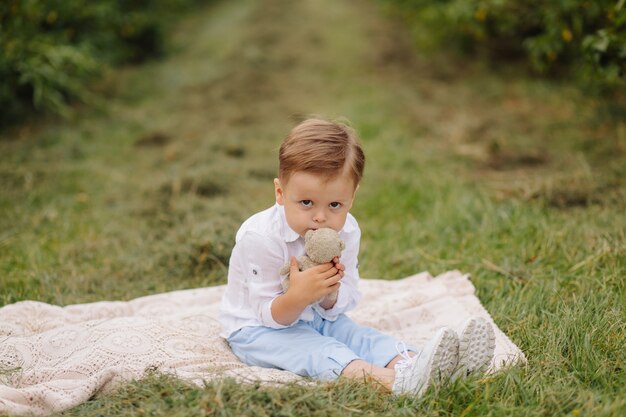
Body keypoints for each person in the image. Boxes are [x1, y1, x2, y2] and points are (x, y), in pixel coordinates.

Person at [219, 118, 495, 395]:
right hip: (258, 331)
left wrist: (329, 293)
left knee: (362, 337)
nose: (320, 216)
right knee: (322, 350)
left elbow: (344, 301)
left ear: (352, 197)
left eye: (335, 205)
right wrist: (298, 296)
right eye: (306, 202)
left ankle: (428, 366)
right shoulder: (261, 237)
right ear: (280, 192)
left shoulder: (347, 230)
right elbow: (267, 315)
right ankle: (397, 383)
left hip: (318, 319)